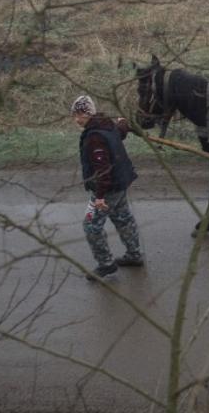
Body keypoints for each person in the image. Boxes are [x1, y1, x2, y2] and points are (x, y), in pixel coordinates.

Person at [72, 95, 144, 281]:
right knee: (123, 218)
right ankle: (134, 255)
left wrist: (100, 197)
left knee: (91, 226)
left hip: (108, 188)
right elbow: (120, 132)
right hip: (121, 184)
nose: (76, 119)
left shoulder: (95, 137)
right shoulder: (107, 124)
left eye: (78, 115)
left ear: (87, 114)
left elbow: (103, 170)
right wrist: (123, 123)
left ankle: (106, 264)